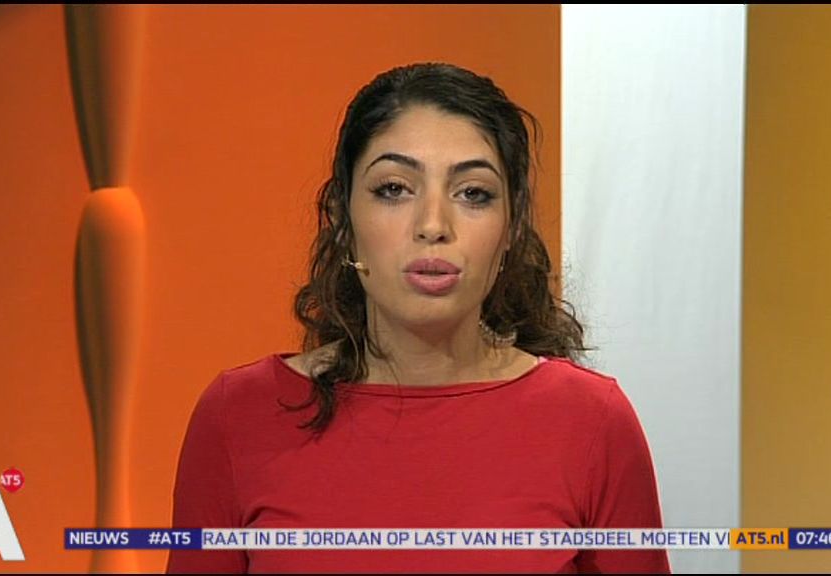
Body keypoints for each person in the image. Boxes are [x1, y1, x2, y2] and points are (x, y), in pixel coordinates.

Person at [167, 62, 670, 574]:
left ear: (513, 226)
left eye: (473, 193)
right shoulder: (238, 415)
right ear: (341, 218)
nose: (433, 225)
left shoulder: (592, 421)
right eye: (394, 189)